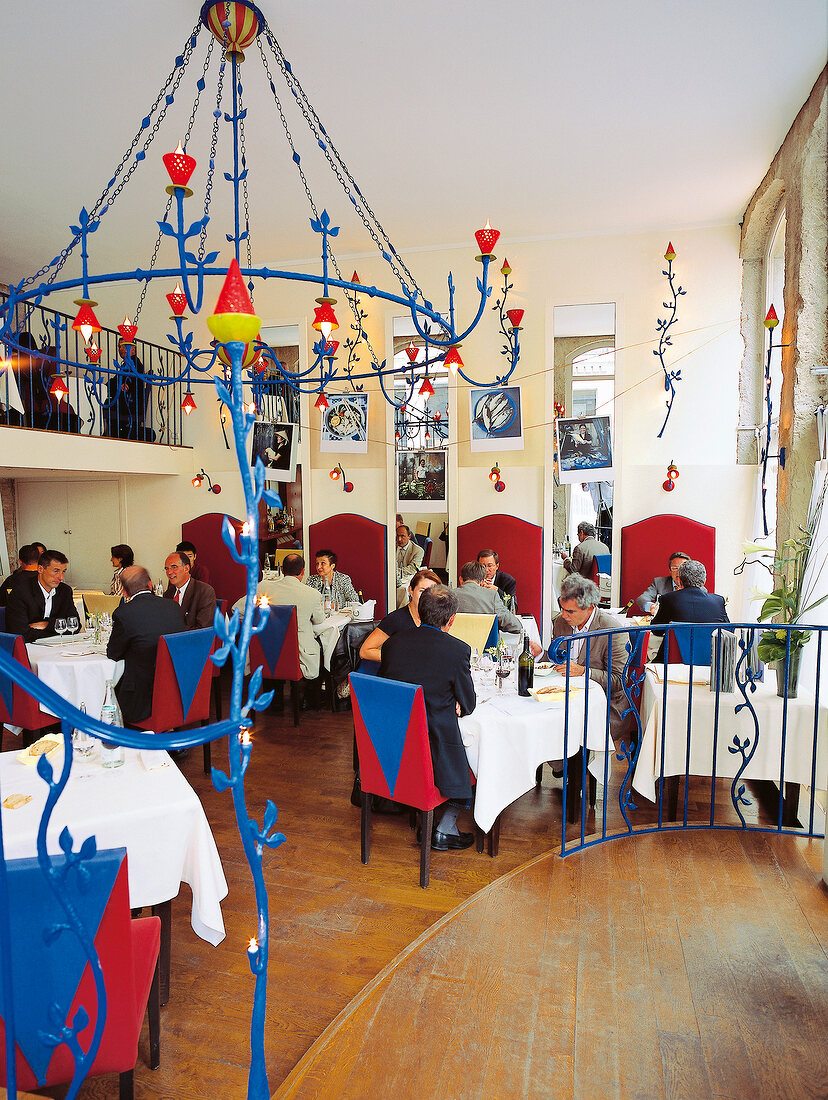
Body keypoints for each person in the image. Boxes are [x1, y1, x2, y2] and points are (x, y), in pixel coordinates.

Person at [379, 585, 477, 851]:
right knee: (478, 755)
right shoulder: (457, 650)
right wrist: (455, 699)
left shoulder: (392, 644)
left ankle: (430, 818)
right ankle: (446, 827)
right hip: (434, 749)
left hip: (393, 746)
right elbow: (468, 703)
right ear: (451, 619)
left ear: (420, 612)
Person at [549, 575, 631, 739]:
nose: (563, 615)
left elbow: (619, 680)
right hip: (566, 698)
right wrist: (541, 654)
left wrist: (583, 671)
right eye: (562, 609)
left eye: (570, 611)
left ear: (590, 608)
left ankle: (575, 763)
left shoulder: (613, 631)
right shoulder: (561, 622)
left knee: (568, 730)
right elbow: (558, 659)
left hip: (603, 704)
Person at [106, 565, 187, 725]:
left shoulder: (124, 613)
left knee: (106, 690)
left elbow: (113, 653)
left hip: (141, 700)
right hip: (179, 692)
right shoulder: (173, 607)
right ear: (150, 585)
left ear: (124, 592)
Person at [234, 553, 324, 681]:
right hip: (298, 655)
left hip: (265, 651)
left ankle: (275, 698)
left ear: (281, 570)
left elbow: (237, 609)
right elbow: (319, 620)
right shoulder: (312, 594)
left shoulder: (263, 587)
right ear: (303, 571)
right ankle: (307, 697)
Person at [456, 562, 544, 656]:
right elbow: (515, 626)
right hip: (486, 655)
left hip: (455, 651)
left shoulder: (449, 595)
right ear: (482, 581)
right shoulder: (491, 596)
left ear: (460, 579)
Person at [650, 559, 730, 660]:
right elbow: (727, 630)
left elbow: (657, 630)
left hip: (673, 664)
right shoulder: (718, 601)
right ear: (704, 580)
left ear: (680, 580)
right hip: (710, 663)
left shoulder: (668, 599)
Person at [359, 568, 441, 665]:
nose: (427, 596)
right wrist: (400, 657)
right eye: (422, 591)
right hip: (401, 674)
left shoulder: (437, 617)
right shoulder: (396, 619)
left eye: (431, 591)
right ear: (411, 590)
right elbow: (365, 651)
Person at [6, 549, 77, 642]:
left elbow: (75, 626)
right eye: (56, 571)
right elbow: (21, 634)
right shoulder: (20, 592)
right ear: (40, 569)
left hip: (58, 647)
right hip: (29, 650)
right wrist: (58, 629)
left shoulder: (65, 591)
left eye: (63, 571)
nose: (61, 577)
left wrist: (47, 625)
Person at [163, 552, 216, 630]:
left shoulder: (204, 591)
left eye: (174, 567)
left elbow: (203, 628)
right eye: (167, 569)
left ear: (186, 569)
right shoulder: (168, 594)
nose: (169, 572)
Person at [395, 524, 424, 608]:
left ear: (409, 536)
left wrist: (396, 571)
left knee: (404, 590)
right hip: (395, 579)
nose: (399, 539)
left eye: (402, 536)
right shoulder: (390, 547)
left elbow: (412, 569)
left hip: (408, 579)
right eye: (397, 536)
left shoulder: (418, 550)